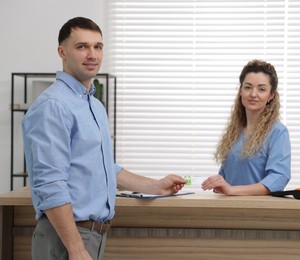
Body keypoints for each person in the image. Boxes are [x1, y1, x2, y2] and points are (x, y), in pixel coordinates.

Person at [22, 17, 187, 260]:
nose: (92, 54)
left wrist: (154, 185)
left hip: (91, 236)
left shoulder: (94, 105)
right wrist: (76, 249)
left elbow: (103, 168)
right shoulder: (53, 106)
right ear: (62, 52)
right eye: (82, 47)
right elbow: (50, 184)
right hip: (67, 239)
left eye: (98, 47)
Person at [201, 59, 291, 195]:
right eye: (248, 87)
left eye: (261, 89)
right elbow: (225, 178)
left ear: (271, 95)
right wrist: (218, 184)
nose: (253, 94)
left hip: (258, 210)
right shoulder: (234, 132)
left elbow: (278, 178)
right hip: (230, 209)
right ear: (241, 91)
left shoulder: (278, 132)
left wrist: (232, 190)